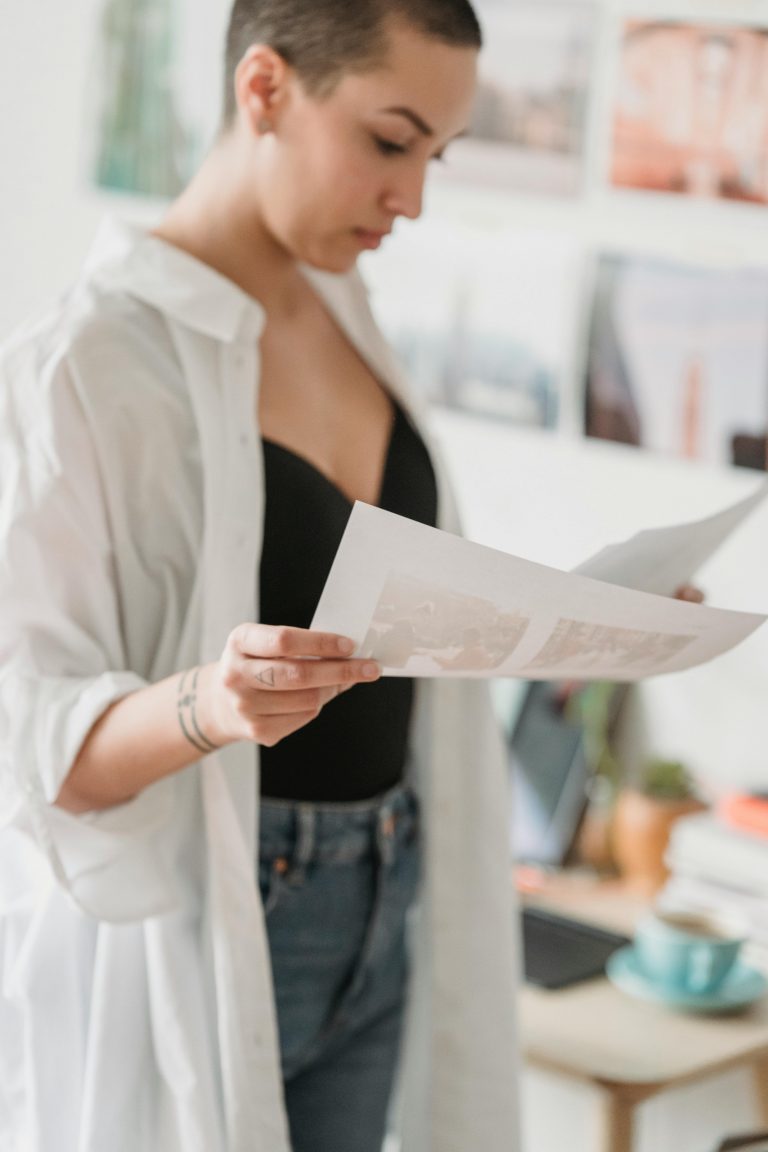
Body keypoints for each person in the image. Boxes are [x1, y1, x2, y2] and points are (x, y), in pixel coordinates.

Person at [0, 3, 520, 1152]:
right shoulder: (83, 364)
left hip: (397, 894)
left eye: (438, 154)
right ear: (266, 89)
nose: (414, 200)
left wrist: (590, 620)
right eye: (391, 143)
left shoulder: (349, 312)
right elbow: (32, 753)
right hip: (231, 909)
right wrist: (210, 703)